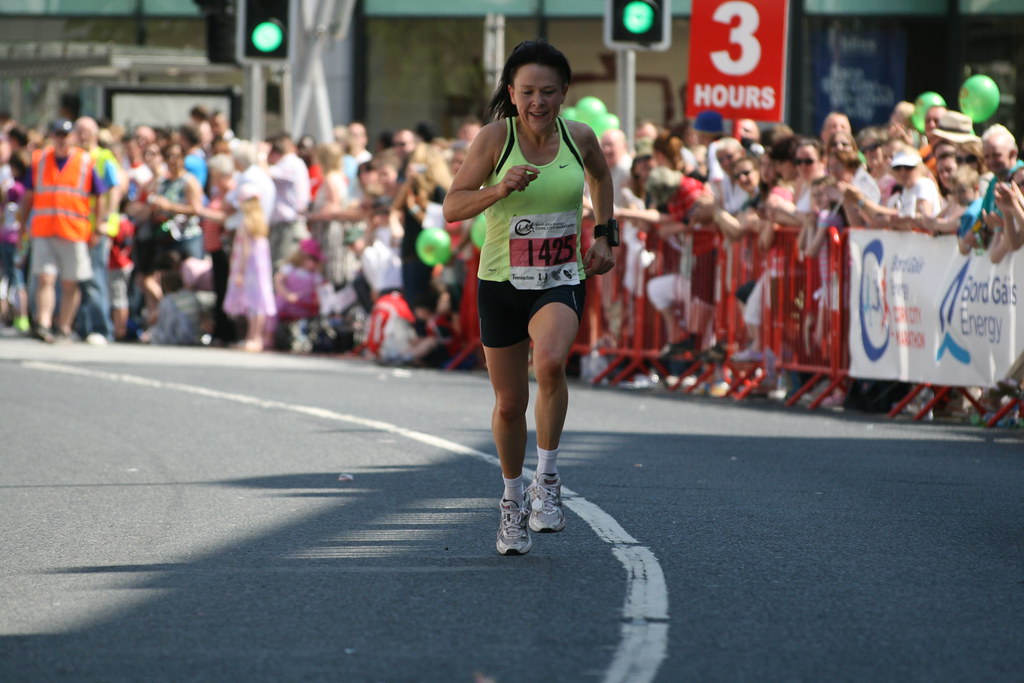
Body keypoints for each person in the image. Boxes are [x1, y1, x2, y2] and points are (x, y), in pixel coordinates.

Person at [442, 40, 615, 556]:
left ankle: (548, 480)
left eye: (547, 91)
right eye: (527, 92)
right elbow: (453, 207)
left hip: (560, 276)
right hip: (501, 283)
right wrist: (498, 190)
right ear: (512, 95)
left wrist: (606, 234)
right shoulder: (496, 139)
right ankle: (512, 501)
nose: (537, 101)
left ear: (564, 92)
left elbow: (602, 178)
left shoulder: (579, 136)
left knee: (553, 362)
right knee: (510, 402)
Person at [19, 119, 109, 343]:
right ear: (52, 136)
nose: (62, 139)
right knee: (45, 278)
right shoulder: (40, 160)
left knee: (71, 281)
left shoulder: (84, 161)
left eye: (66, 135)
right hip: (44, 228)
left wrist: (98, 226)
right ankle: (44, 323)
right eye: (58, 134)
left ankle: (64, 326)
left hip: (74, 230)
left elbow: (100, 196)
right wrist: (22, 224)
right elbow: (29, 195)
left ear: (73, 137)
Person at [73, 116, 122, 345]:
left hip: (96, 228)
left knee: (94, 278)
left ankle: (102, 328)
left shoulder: (103, 157)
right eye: (79, 131)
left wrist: (104, 220)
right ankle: (82, 327)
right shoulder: (75, 157)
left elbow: (115, 189)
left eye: (87, 131)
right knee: (78, 279)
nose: (83, 136)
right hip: (76, 227)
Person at [223, 185, 277, 352]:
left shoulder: (246, 223)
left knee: (251, 303)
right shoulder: (260, 221)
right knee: (258, 303)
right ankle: (256, 337)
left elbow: (245, 250)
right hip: (260, 270)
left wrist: (240, 271)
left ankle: (253, 337)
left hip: (249, 269)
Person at [266, 132, 312, 268]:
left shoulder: (291, 162)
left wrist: (260, 155)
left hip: (289, 225)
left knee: (283, 267)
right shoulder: (290, 162)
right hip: (285, 225)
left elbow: (266, 172)